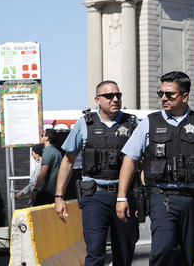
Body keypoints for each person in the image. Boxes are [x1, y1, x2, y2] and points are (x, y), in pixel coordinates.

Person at [116, 71, 194, 266]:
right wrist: (122, 197)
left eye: (169, 94)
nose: (163, 98)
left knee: (188, 257)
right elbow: (130, 159)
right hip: (162, 198)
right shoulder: (150, 123)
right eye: (161, 93)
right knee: (163, 249)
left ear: (184, 96)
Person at [55, 80, 139, 266]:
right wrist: (59, 196)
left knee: (124, 254)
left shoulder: (133, 124)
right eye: (109, 96)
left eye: (118, 95)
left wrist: (143, 198)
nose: (115, 99)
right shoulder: (84, 124)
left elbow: (141, 163)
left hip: (124, 196)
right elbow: (68, 161)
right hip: (95, 196)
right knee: (95, 251)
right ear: (97, 100)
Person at [34, 129, 62, 206]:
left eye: (42, 135)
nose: (41, 137)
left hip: (46, 192)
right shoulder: (58, 152)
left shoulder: (47, 152)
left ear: (47, 138)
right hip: (56, 192)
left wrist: (35, 189)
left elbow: (43, 173)